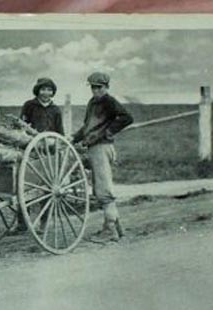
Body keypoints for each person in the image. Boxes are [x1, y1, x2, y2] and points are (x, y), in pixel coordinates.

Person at [72, 72, 133, 242]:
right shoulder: (93, 102)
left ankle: (110, 231)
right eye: (93, 87)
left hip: (102, 147)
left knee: (103, 190)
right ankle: (117, 229)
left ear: (106, 87)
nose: (95, 90)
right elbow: (87, 127)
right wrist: (74, 137)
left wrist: (107, 132)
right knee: (100, 186)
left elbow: (127, 118)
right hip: (94, 147)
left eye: (99, 87)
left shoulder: (108, 101)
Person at [11, 78, 63, 234]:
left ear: (53, 92)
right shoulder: (29, 105)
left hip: (49, 153)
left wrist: (55, 144)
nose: (46, 93)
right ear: (37, 91)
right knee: (23, 185)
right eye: (43, 89)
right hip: (30, 151)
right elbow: (22, 126)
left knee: (47, 188)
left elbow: (60, 132)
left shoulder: (56, 110)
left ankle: (43, 223)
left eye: (49, 90)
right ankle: (22, 224)